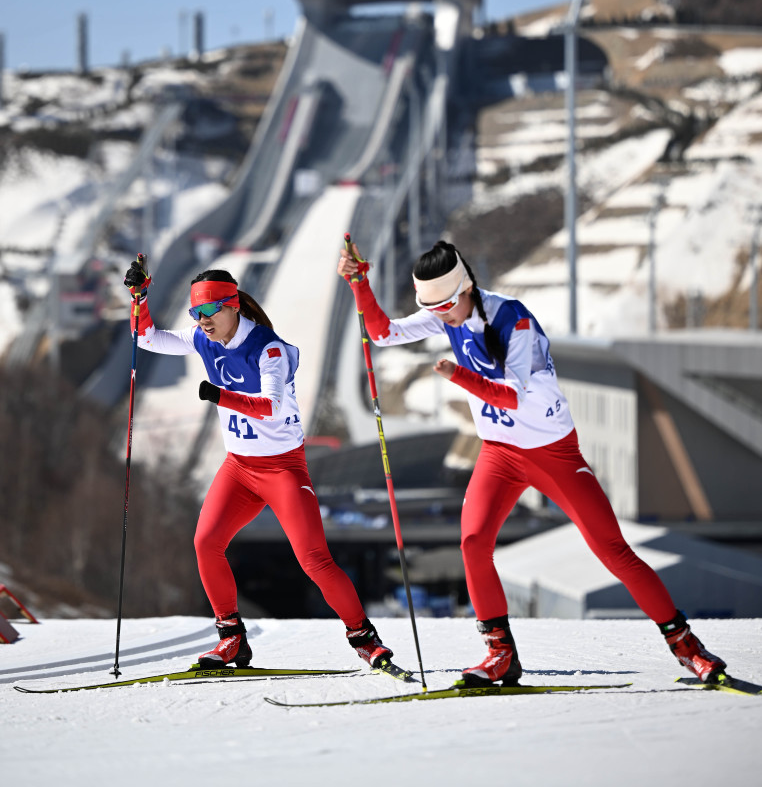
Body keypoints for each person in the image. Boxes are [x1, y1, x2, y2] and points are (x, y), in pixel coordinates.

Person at [337, 239, 727, 687]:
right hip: (500, 452)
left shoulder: (513, 322)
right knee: (473, 542)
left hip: (551, 453)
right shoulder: (448, 310)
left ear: (466, 287)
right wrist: (359, 284)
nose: (441, 314)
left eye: (446, 303)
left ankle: (688, 648)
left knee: (612, 550)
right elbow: (384, 333)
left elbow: (514, 397)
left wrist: (457, 375)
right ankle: (500, 653)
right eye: (432, 306)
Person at [124, 258, 399, 672]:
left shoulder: (267, 348)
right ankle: (231, 639)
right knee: (205, 543)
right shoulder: (204, 338)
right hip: (238, 468)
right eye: (194, 314)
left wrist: (219, 396)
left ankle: (364, 638)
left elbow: (270, 408)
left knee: (314, 560)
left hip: (282, 469)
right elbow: (146, 338)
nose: (201, 322)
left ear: (232, 306)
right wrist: (140, 299)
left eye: (208, 311)